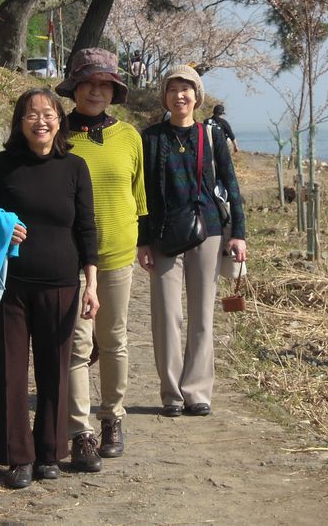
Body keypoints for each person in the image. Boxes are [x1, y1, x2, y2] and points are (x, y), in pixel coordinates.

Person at [0, 87, 99, 489]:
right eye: (32, 114)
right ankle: (18, 456)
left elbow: (86, 229)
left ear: (60, 121)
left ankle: (49, 452)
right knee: (9, 370)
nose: (41, 121)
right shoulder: (2, 165)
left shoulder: (75, 167)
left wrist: (91, 285)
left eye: (48, 114)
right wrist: (2, 227)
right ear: (20, 123)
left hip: (61, 283)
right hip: (7, 286)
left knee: (55, 370)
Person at [136, 64, 247, 417]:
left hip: (208, 232)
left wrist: (239, 234)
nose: (179, 95)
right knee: (167, 316)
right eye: (172, 89)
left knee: (202, 316)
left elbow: (231, 185)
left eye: (186, 89)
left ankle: (197, 392)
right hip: (163, 234)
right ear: (164, 96)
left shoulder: (211, 136)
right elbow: (141, 193)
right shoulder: (151, 138)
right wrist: (142, 240)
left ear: (196, 96)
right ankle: (171, 394)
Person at [55, 48, 147, 472]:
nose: (96, 91)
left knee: (113, 339)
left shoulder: (129, 136)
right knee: (77, 344)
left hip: (117, 255)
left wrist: (143, 243)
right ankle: (80, 431)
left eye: (105, 84)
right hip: (69, 256)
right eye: (88, 83)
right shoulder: (58, 134)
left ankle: (112, 417)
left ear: (115, 91)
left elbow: (138, 196)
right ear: (74, 87)